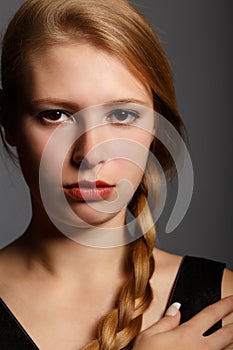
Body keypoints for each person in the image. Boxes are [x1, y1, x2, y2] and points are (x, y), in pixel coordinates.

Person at [0, 0, 232, 349]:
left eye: (122, 115)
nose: (90, 154)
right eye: (56, 115)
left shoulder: (220, 305)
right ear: (8, 122)